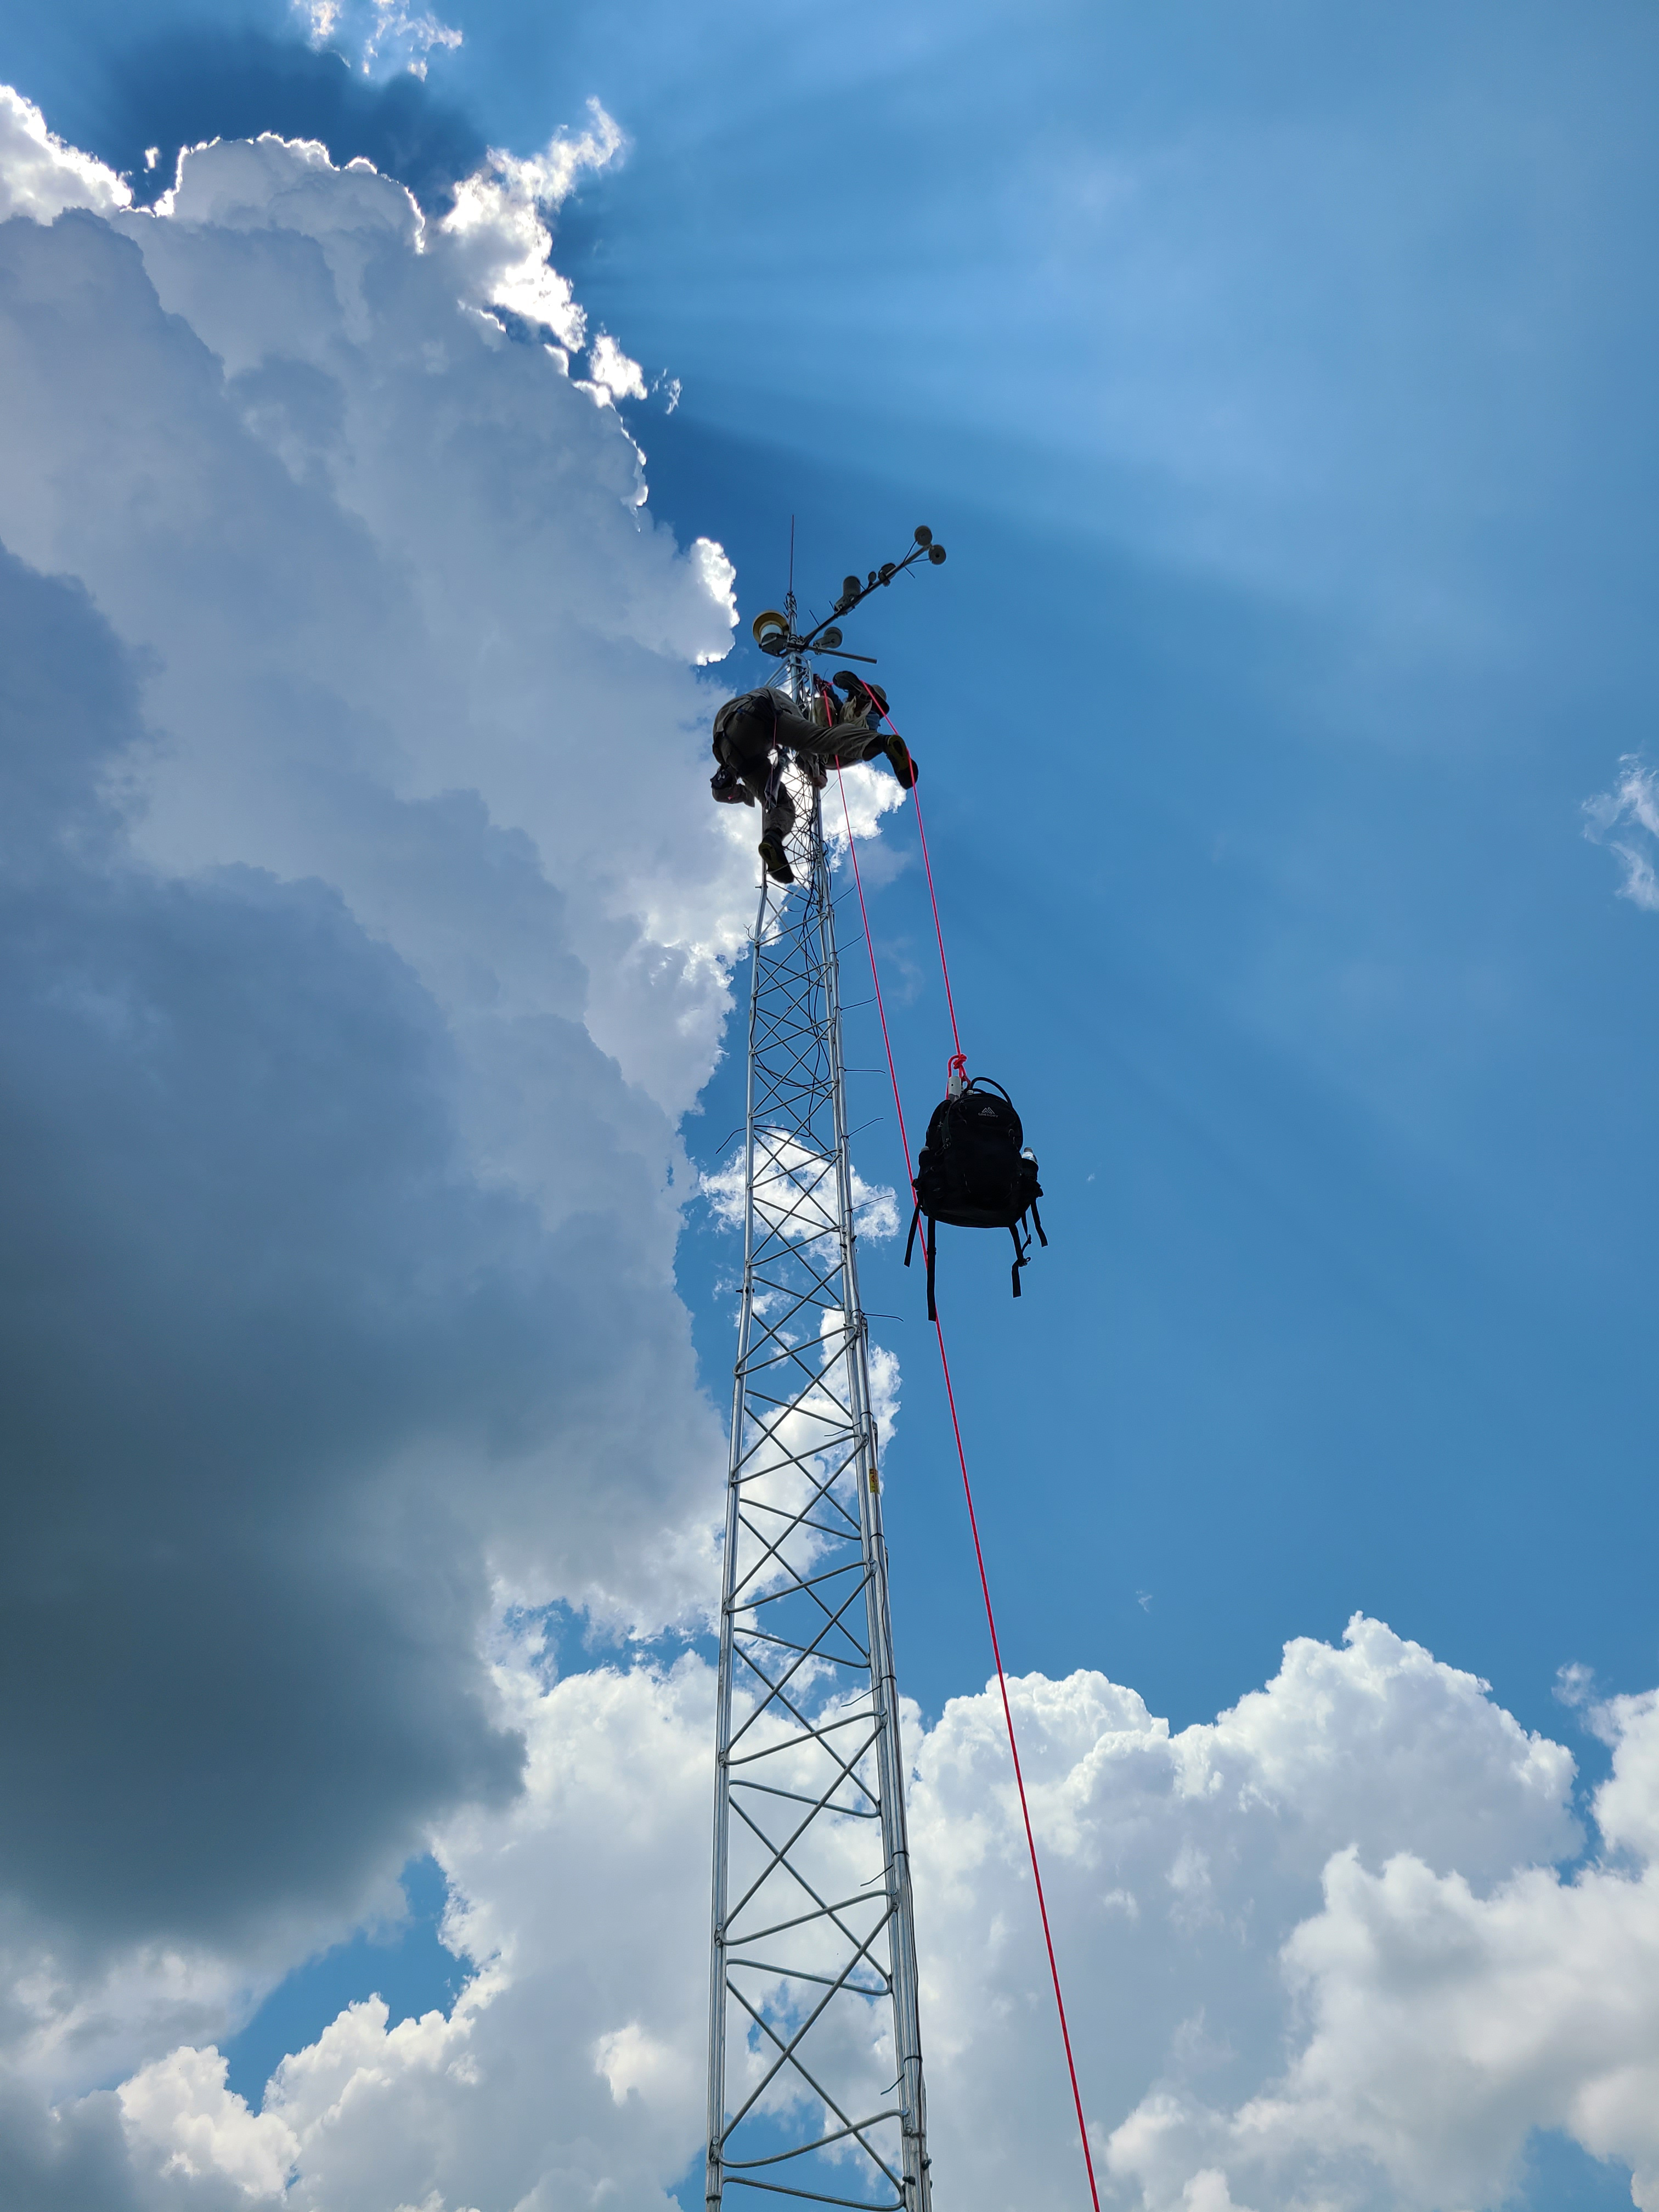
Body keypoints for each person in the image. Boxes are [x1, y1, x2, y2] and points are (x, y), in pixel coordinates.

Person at [710, 674, 918, 884]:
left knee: (779, 804)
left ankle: (773, 838)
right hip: (761, 713)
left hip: (727, 745)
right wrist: (815, 773)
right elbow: (805, 745)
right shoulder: (781, 698)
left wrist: (740, 790)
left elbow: (720, 793)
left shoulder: (743, 701)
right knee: (819, 739)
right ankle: (884, 742)